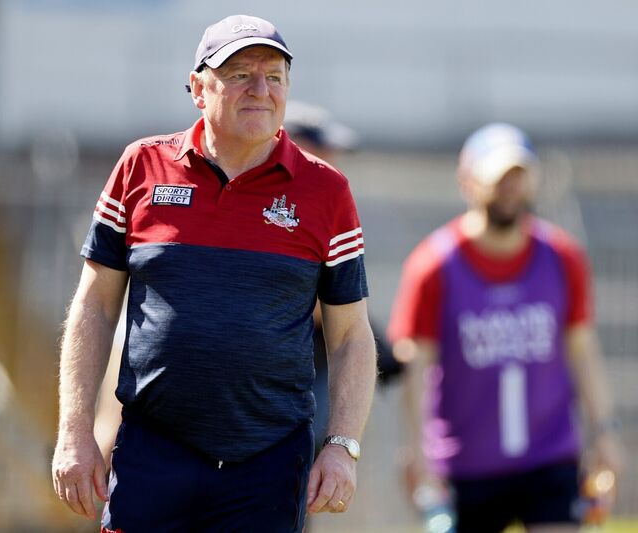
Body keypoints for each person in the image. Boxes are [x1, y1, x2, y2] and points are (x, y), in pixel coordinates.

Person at [51, 14, 378, 532]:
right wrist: (75, 429)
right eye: (240, 74)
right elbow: (94, 304)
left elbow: (351, 336)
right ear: (198, 89)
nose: (260, 89)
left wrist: (342, 446)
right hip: (152, 448)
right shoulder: (141, 166)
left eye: (274, 76)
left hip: (269, 460)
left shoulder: (327, 191)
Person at [387, 123, 624, 532]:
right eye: (498, 178)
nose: (510, 189)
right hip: (466, 464)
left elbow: (582, 350)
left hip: (549, 455)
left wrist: (604, 432)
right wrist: (417, 450)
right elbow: (416, 367)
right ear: (468, 181)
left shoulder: (562, 257)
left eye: (519, 176)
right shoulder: (434, 265)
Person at [283, 101, 403, 449]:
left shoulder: (324, 201)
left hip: (312, 363)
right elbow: (306, 301)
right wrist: (364, 332)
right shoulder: (279, 204)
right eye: (324, 148)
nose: (333, 159)